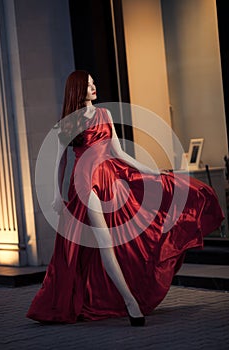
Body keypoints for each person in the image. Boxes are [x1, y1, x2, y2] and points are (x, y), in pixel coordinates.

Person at [27, 70, 224, 326]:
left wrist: (153, 171)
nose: (94, 87)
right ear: (77, 90)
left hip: (110, 179)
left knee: (124, 234)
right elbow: (60, 162)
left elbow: (118, 151)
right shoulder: (68, 122)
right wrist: (57, 194)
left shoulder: (104, 114)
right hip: (85, 183)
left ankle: (127, 298)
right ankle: (130, 301)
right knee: (105, 241)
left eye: (94, 83)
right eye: (88, 85)